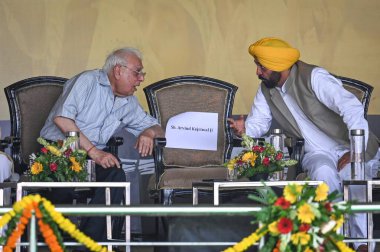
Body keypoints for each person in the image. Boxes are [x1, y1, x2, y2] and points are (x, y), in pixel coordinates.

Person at [228, 37, 379, 252]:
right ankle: (333, 242)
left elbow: (351, 107)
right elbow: (258, 123)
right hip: (316, 152)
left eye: (262, 67)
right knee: (322, 174)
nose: (258, 72)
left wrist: (356, 151)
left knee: (352, 175)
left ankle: (364, 244)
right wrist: (244, 129)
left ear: (279, 66)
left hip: (350, 146)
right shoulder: (266, 90)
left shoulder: (314, 77)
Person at [40, 47, 164, 243]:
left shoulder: (129, 101)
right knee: (63, 183)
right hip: (59, 150)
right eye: (137, 72)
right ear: (118, 70)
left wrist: (149, 132)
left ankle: (90, 243)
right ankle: (50, 242)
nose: (141, 78)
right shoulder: (87, 81)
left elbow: (157, 127)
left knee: (116, 174)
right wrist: (94, 151)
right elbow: (62, 119)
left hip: (91, 156)